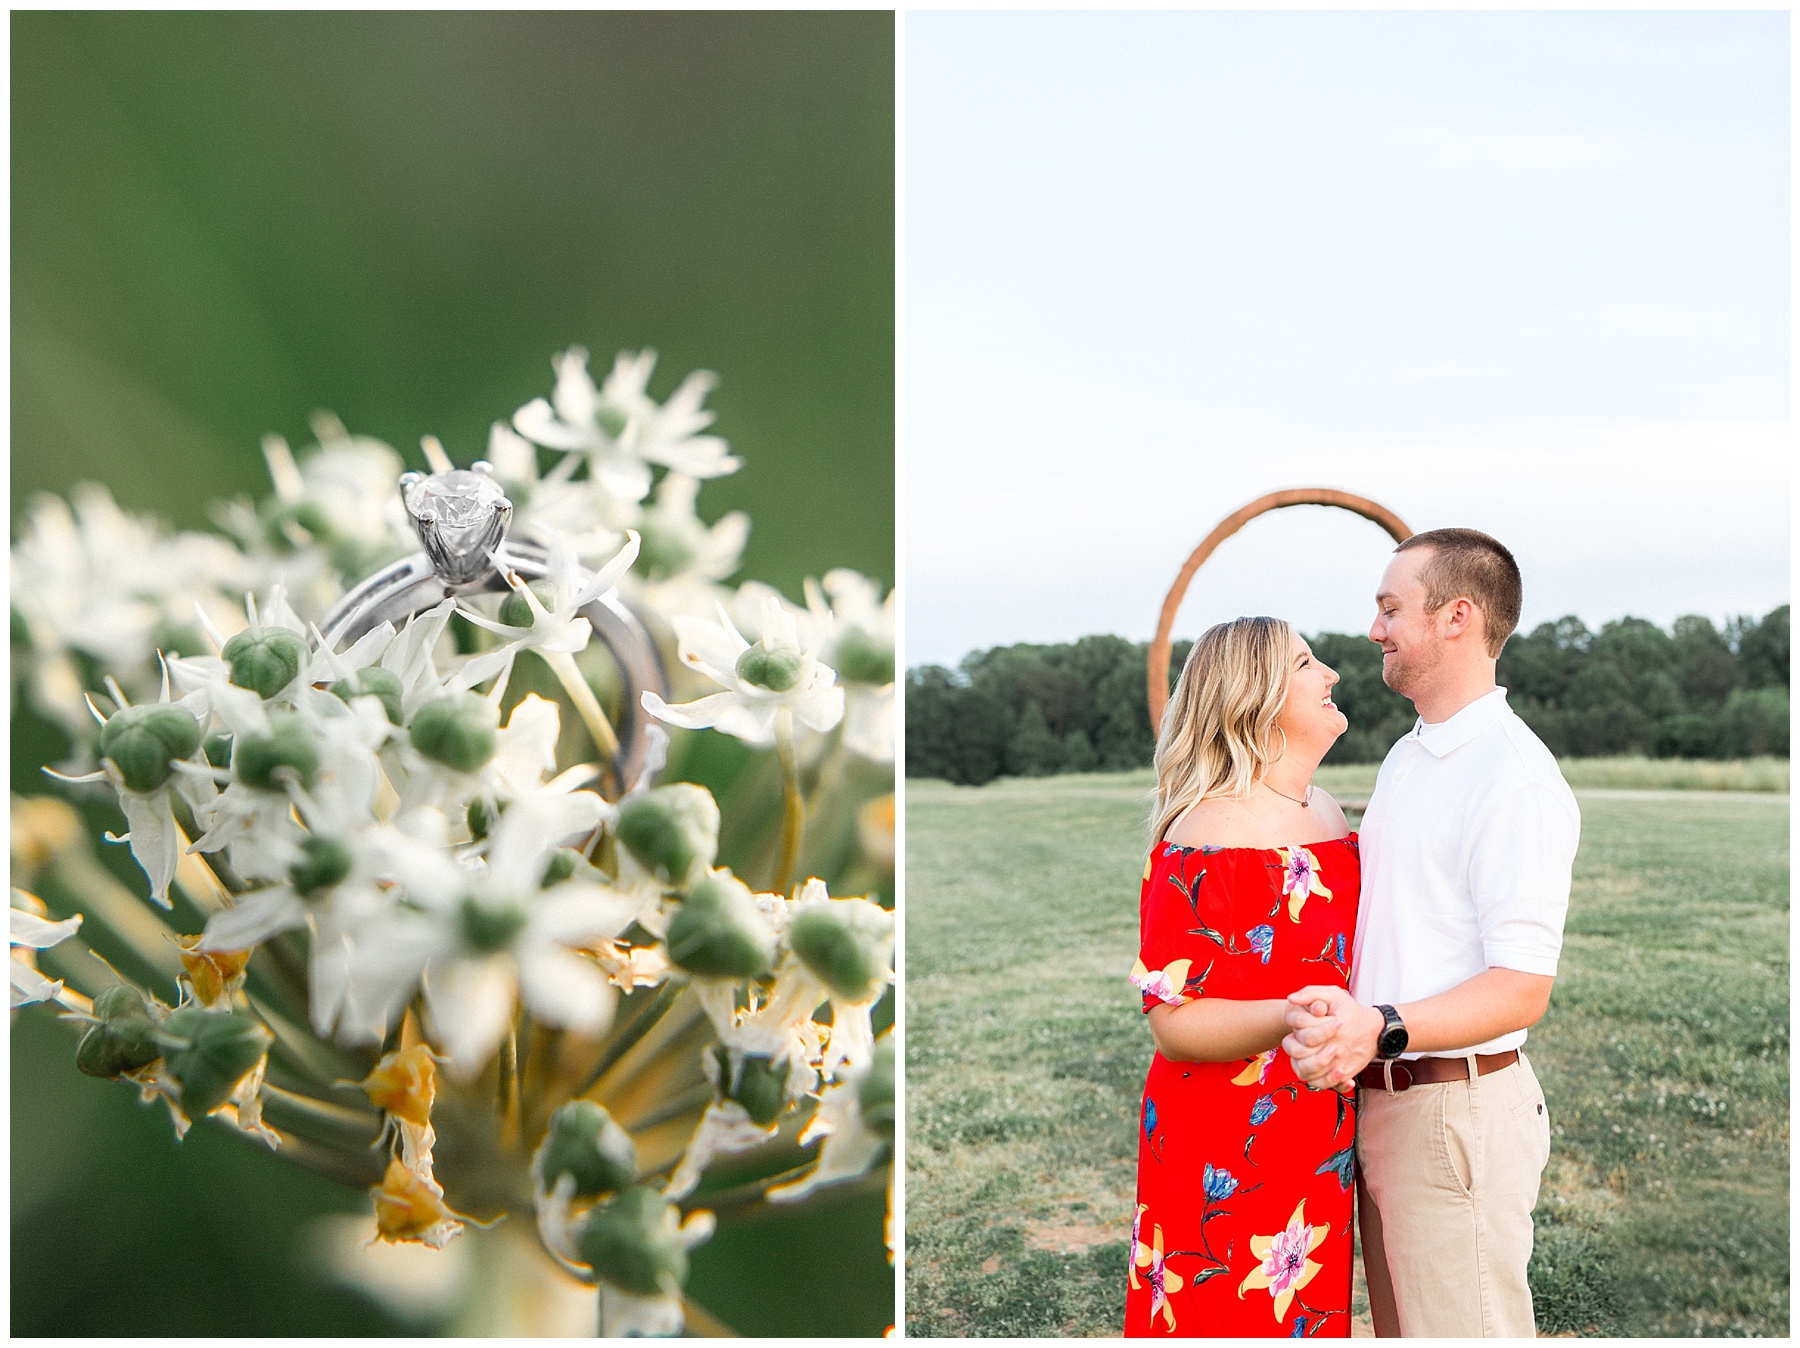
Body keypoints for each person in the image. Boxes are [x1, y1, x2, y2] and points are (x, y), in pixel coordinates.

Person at [1281, 528, 1579, 1338]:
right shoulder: (1412, 755)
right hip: (1382, 1103)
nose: (1375, 629)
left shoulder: (1514, 779)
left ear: (1456, 617)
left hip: (1455, 1114)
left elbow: (1522, 987)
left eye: (1389, 608)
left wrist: (1379, 1027)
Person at [1125, 616, 1360, 1338]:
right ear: (1253, 697)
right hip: (1225, 1136)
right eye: (1306, 663)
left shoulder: (1326, 810)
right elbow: (1173, 1022)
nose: (1332, 674)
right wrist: (1293, 1017)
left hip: (1321, 1119)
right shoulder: (1208, 831)